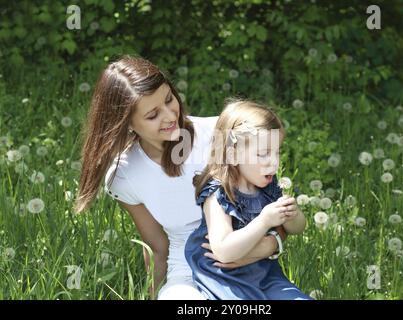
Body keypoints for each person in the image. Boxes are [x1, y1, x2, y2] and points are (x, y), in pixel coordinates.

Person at [74, 55, 283, 299]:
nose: (170, 116)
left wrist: (266, 247)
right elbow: (157, 246)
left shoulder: (222, 136)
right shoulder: (124, 175)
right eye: (152, 115)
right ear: (127, 123)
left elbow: (274, 205)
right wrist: (154, 294)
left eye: (169, 99)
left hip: (251, 262)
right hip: (187, 271)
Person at [185, 100, 312, 300]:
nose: (274, 161)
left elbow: (297, 228)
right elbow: (224, 251)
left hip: (265, 273)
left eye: (277, 152)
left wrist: (292, 214)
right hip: (225, 278)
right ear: (232, 155)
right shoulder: (217, 194)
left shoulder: (268, 187)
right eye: (263, 154)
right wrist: (264, 221)